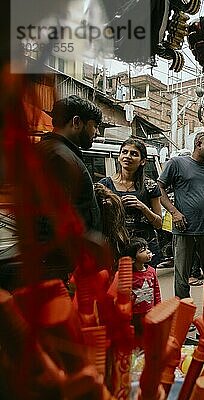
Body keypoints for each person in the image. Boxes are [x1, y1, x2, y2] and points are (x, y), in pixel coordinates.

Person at [157, 131, 204, 316]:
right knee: (182, 275)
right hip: (184, 229)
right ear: (197, 144)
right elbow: (159, 187)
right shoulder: (177, 163)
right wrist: (174, 212)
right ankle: (183, 312)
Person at [36, 95, 103, 280]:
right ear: (76, 122)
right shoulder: (59, 156)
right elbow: (53, 218)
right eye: (95, 126)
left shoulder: (56, 151)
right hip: (61, 267)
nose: (96, 132)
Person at [99, 138, 163, 267]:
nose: (128, 156)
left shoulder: (150, 186)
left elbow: (159, 223)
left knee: (144, 286)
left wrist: (142, 207)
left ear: (143, 161)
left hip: (144, 249)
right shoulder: (105, 186)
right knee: (119, 285)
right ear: (119, 157)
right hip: (117, 247)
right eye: (124, 152)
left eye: (134, 154)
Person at [120, 237, 161, 342]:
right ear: (133, 259)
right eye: (142, 251)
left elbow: (156, 291)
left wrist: (158, 308)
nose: (148, 251)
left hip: (150, 312)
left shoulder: (151, 271)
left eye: (147, 248)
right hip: (134, 315)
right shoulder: (128, 275)